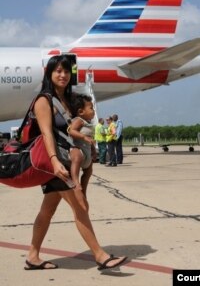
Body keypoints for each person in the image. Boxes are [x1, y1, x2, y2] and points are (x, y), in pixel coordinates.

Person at [25, 55, 127, 271]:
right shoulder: (44, 100)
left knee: (47, 210)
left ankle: (33, 256)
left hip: (63, 162)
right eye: (57, 71)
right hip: (56, 164)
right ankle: (100, 256)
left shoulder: (68, 101)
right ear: (49, 74)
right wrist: (54, 161)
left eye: (66, 71)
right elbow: (46, 134)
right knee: (80, 207)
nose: (62, 75)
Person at [68, 94, 96, 190]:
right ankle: (75, 180)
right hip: (77, 149)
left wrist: (93, 150)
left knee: (88, 171)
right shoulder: (79, 120)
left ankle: (84, 189)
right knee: (76, 157)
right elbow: (71, 131)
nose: (94, 111)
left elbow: (90, 140)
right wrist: (83, 137)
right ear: (81, 111)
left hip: (87, 152)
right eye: (91, 108)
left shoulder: (88, 124)